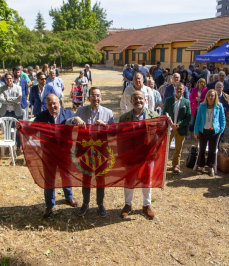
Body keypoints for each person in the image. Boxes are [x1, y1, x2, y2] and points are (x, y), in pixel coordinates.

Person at [19, 94, 78, 218]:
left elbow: (77, 125)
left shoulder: (68, 114)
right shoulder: (41, 117)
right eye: (49, 104)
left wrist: (76, 120)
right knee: (49, 179)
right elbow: (32, 130)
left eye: (54, 103)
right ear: (46, 105)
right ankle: (50, 205)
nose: (53, 106)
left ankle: (69, 197)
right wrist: (22, 127)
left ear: (59, 103)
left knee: (66, 175)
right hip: (48, 154)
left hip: (64, 153)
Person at [66, 87, 114, 217]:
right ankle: (85, 203)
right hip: (85, 151)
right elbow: (67, 123)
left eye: (98, 95)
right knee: (86, 177)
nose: (95, 98)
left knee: (100, 178)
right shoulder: (81, 110)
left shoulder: (108, 113)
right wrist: (74, 120)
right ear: (88, 98)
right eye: (93, 95)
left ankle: (100, 204)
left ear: (101, 98)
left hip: (101, 152)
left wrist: (106, 126)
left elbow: (114, 132)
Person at [119, 91, 160, 219]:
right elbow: (119, 138)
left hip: (147, 155)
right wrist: (122, 155)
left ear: (145, 100)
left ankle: (146, 205)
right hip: (130, 155)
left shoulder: (154, 116)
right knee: (129, 179)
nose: (138, 100)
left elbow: (160, 134)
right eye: (135, 98)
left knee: (147, 180)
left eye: (140, 98)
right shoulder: (124, 118)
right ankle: (127, 204)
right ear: (131, 101)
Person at [194, 89, 226, 177]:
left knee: (212, 150)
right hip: (203, 131)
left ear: (215, 97)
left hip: (214, 132)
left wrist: (221, 130)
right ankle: (200, 166)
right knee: (202, 149)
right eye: (209, 95)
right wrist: (196, 131)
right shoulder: (202, 105)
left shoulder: (219, 106)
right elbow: (198, 119)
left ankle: (211, 167)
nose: (211, 97)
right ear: (206, 97)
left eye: (212, 96)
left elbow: (222, 119)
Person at [163, 83, 191, 173]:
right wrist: (170, 123)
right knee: (165, 148)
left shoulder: (187, 102)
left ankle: (175, 165)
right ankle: (163, 164)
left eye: (181, 89)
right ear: (175, 89)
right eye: (177, 88)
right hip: (168, 128)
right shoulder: (168, 100)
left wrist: (178, 125)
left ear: (184, 90)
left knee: (178, 149)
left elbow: (188, 117)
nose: (179, 90)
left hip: (180, 129)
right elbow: (164, 114)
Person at [0, 73, 23, 155]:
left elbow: (19, 99)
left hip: (16, 112)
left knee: (18, 130)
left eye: (10, 78)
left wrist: (7, 99)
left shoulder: (18, 87)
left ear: (13, 79)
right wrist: (14, 99)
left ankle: (18, 147)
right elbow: (1, 100)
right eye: (7, 79)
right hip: (6, 112)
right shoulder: (1, 88)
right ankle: (7, 147)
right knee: (7, 130)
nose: (9, 80)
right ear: (5, 80)